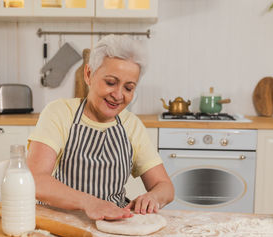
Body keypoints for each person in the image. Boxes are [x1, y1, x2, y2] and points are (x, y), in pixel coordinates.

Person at [27, 34, 174, 221]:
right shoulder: (59, 113)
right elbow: (36, 180)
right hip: (63, 222)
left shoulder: (131, 125)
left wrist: (153, 197)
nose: (118, 95)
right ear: (88, 75)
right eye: (110, 83)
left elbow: (165, 187)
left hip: (115, 223)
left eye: (129, 88)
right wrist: (89, 203)